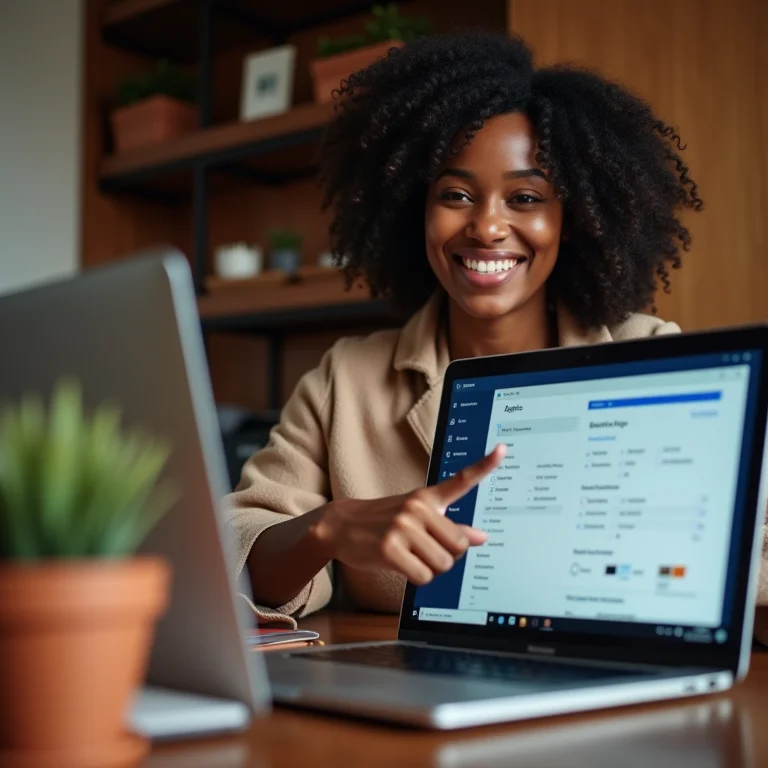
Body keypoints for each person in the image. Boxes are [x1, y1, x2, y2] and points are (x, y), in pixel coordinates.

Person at [226, 30, 767, 629]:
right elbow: (235, 547)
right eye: (456, 194)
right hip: (413, 696)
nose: (486, 227)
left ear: (573, 218)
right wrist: (330, 527)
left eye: (526, 198)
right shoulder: (344, 381)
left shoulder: (655, 358)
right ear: (417, 211)